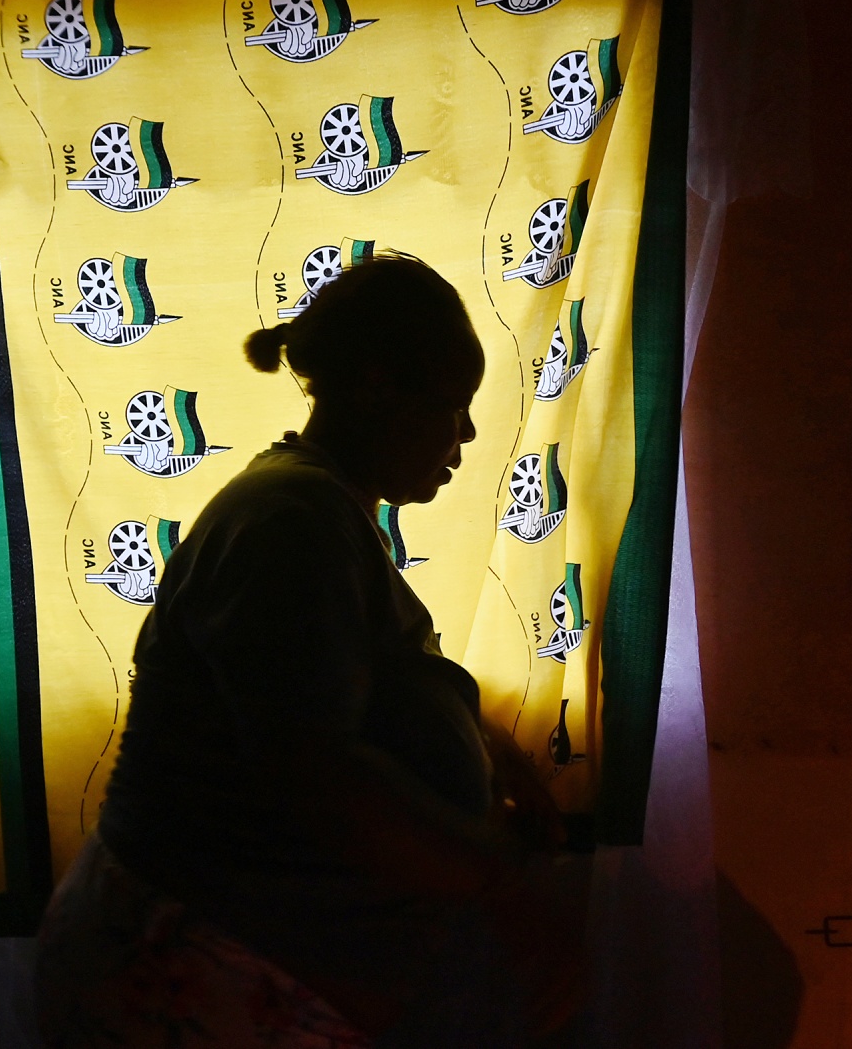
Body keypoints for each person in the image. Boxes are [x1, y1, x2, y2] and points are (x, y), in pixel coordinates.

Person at [36, 254, 585, 1048]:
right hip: (199, 967)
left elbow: (354, 695)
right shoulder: (291, 522)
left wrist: (491, 753)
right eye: (452, 403)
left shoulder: (320, 512)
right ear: (375, 386)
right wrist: (504, 893)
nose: (465, 430)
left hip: (241, 966)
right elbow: (313, 772)